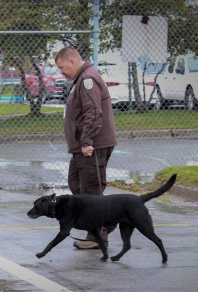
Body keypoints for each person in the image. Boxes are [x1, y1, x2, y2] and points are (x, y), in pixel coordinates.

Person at [55, 47, 118, 249]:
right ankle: (105, 223)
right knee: (76, 184)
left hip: (93, 146)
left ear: (72, 61)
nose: (61, 73)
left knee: (90, 192)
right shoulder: (81, 78)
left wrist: (87, 141)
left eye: (62, 67)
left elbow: (93, 113)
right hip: (83, 146)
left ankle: (98, 236)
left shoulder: (87, 79)